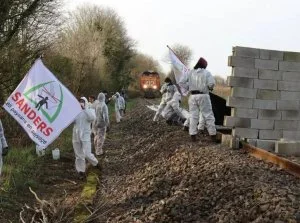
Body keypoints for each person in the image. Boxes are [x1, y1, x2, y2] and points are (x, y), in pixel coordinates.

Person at [179, 57, 217, 142]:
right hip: (203, 96)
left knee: (193, 116)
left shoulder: (190, 72)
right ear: (204, 65)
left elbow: (181, 82)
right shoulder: (207, 73)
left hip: (192, 96)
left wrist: (189, 88)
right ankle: (213, 136)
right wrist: (209, 87)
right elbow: (211, 84)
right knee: (208, 115)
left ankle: (193, 135)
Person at [72, 97, 99, 179]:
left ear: (86, 102)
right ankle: (81, 171)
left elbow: (92, 118)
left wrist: (85, 108)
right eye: (79, 101)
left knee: (87, 153)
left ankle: (96, 163)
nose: (81, 103)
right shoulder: (75, 111)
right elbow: (72, 121)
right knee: (78, 154)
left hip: (85, 135)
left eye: (82, 101)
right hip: (76, 135)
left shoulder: (90, 110)